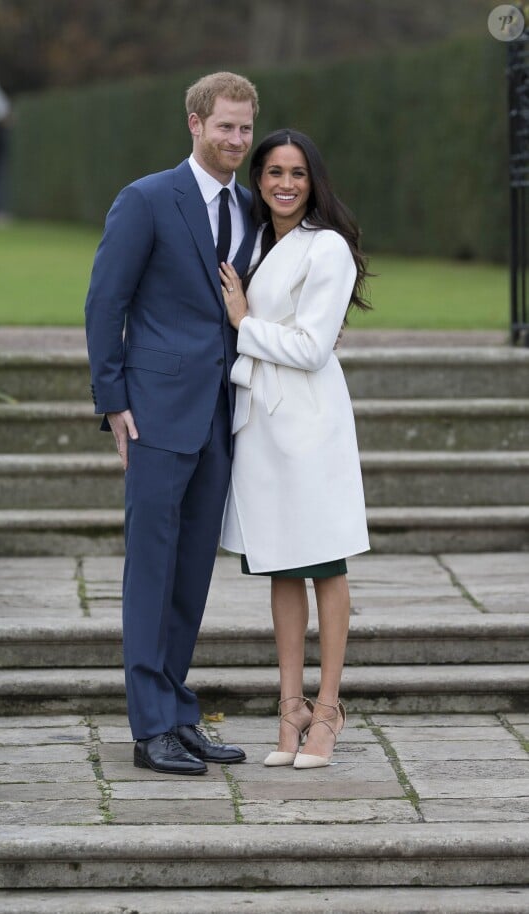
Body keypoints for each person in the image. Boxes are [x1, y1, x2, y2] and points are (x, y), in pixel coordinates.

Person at [85, 72, 259, 775]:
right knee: (151, 570)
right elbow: (105, 301)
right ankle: (149, 727)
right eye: (225, 126)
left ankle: (178, 712)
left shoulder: (250, 205)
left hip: (222, 415)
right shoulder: (148, 198)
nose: (237, 140)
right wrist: (112, 400)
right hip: (156, 415)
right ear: (194, 122)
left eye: (246, 128)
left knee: (191, 574)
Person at [219, 129, 371, 770]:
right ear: (259, 180)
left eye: (298, 173)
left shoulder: (326, 247)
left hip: (309, 423)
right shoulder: (253, 242)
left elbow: (312, 348)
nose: (285, 183)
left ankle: (329, 708)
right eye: (274, 171)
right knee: (280, 566)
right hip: (259, 424)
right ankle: (290, 708)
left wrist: (244, 324)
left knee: (325, 563)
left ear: (314, 183)